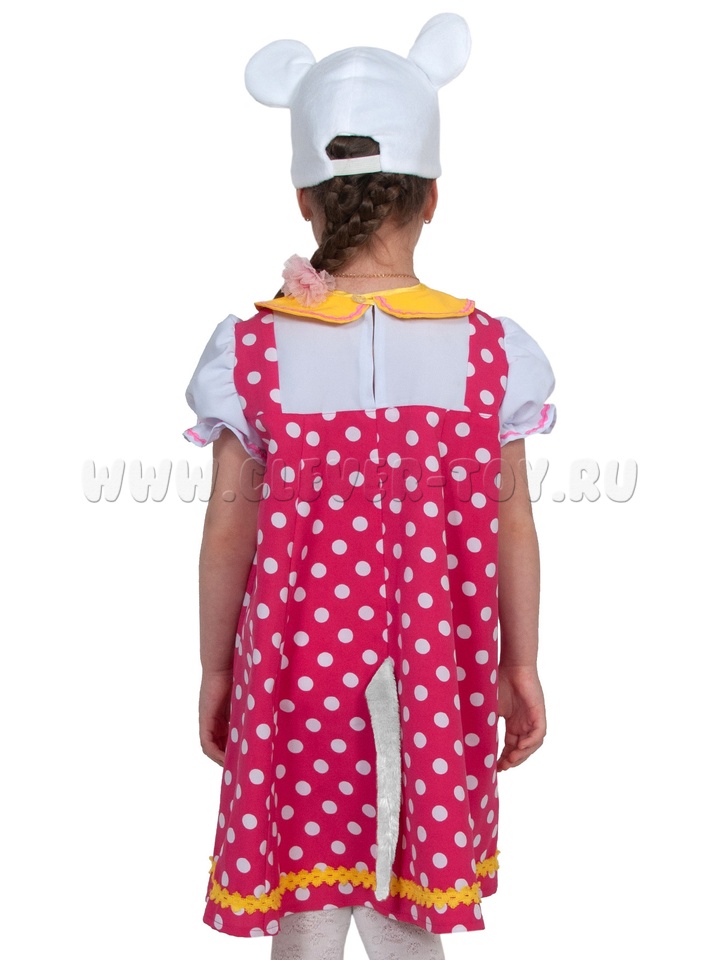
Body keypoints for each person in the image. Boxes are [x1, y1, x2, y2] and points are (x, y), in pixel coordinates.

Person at [183, 13, 555, 960]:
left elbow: (227, 533)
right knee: (408, 913)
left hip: (297, 672)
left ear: (305, 200)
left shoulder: (253, 350)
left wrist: (219, 670)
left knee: (305, 913)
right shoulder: (491, 354)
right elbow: (513, 526)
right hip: (436, 674)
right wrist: (520, 663)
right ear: (433, 198)